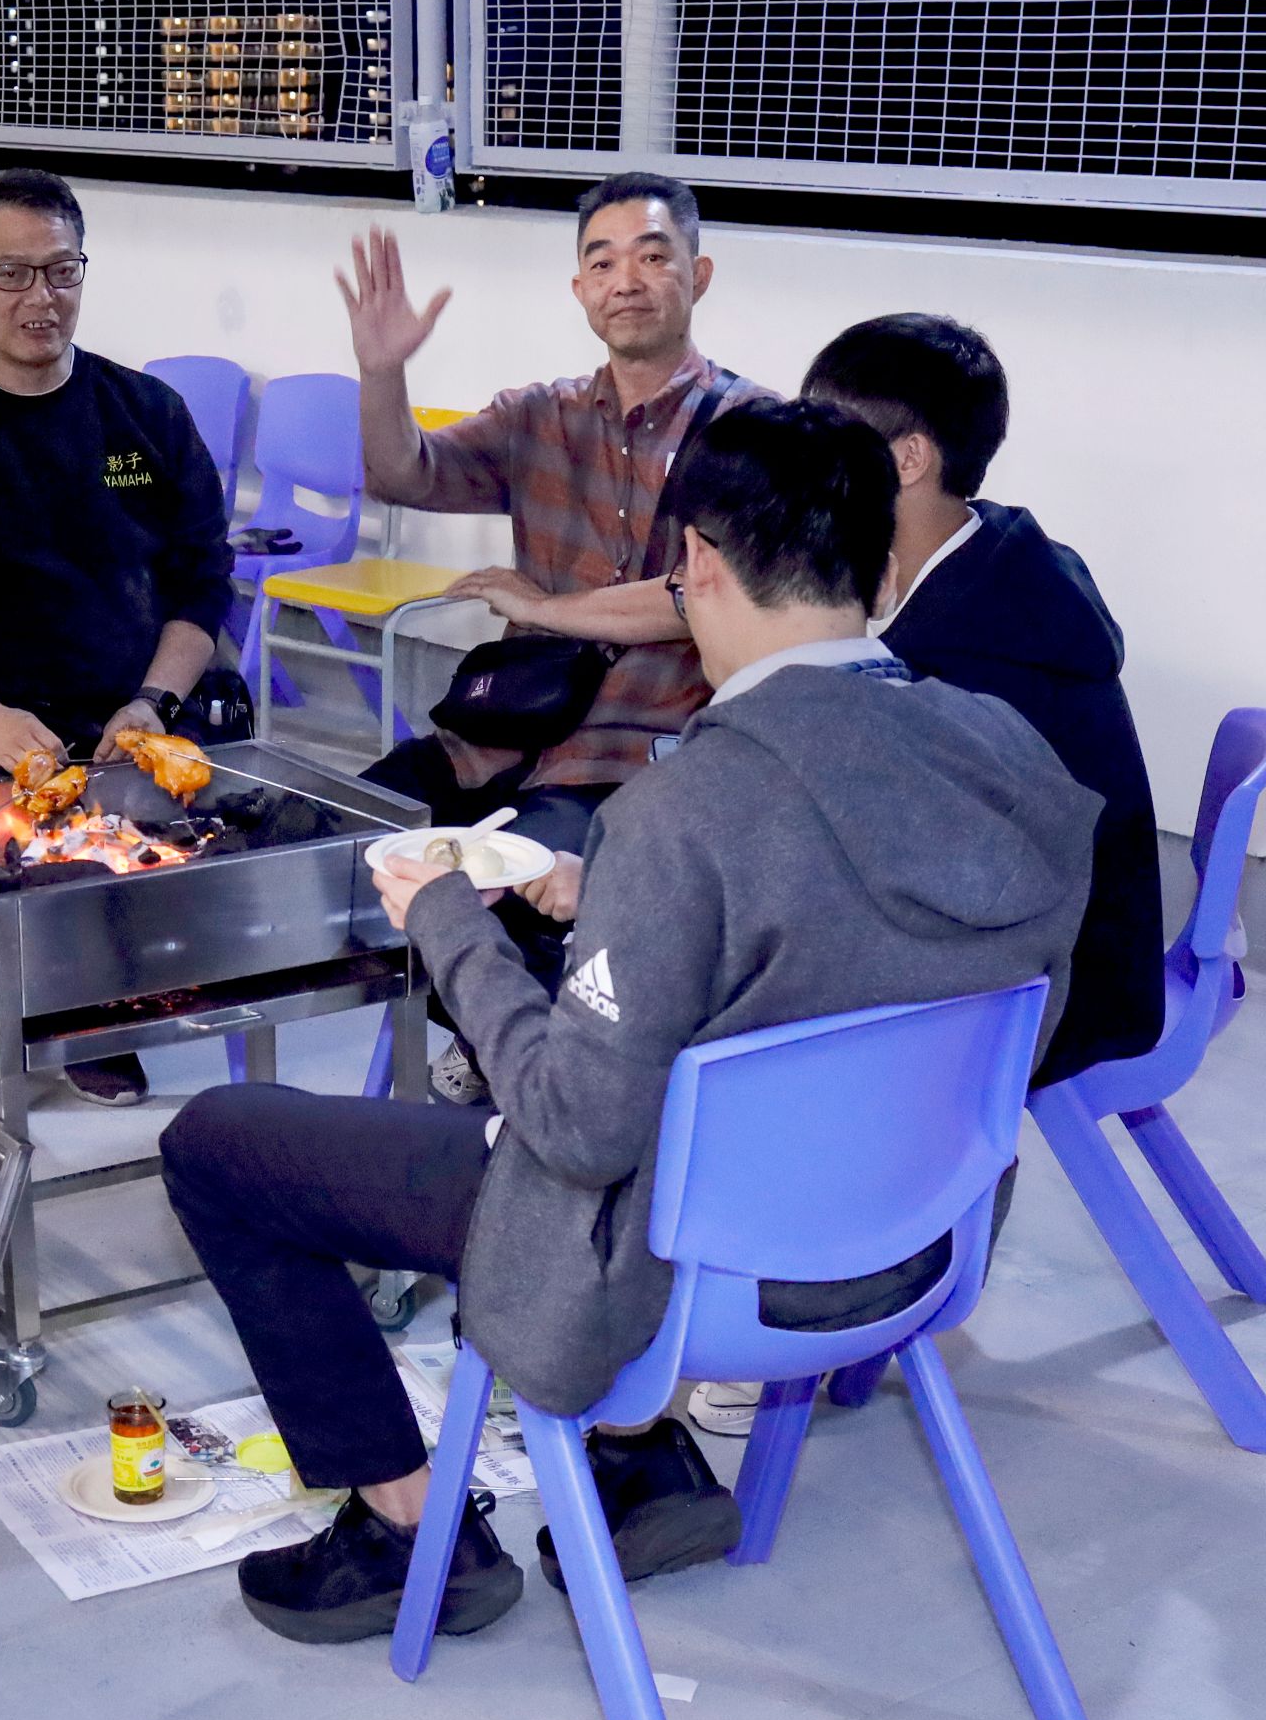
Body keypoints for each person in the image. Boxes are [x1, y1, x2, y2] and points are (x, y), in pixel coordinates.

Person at [159, 400, 1100, 1645]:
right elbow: (929, 982)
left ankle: (405, 1523)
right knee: (651, 1068)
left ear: (696, 562)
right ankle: (636, 1458)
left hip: (681, 1268)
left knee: (222, 1144)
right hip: (909, 1241)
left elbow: (577, 1128)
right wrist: (606, 897)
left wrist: (447, 921)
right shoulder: (1015, 755)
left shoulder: (688, 807)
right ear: (883, 569)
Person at [337, 171, 762, 1100]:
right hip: (501, 737)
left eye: (653, 256)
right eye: (602, 262)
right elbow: (404, 474)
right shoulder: (540, 415)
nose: (626, 280)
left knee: (510, 894)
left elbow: (699, 597)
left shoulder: (751, 433)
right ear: (579, 289)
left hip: (638, 760)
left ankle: (527, 1085)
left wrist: (542, 608)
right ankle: (485, 1037)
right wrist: (382, 371)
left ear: (698, 274)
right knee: (334, 840)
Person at [0, 167, 233, 1105]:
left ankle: (112, 998)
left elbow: (202, 583)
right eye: (12, 274)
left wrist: (153, 700)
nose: (41, 298)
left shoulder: (146, 415)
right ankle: (33, 1002)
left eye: (62, 271)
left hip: (135, 710)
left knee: (194, 831)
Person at [804, 312, 1163, 1088]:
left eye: (827, 437)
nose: (808, 462)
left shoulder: (963, 653)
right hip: (1075, 951)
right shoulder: (996, 557)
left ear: (908, 459)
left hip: (1056, 998)